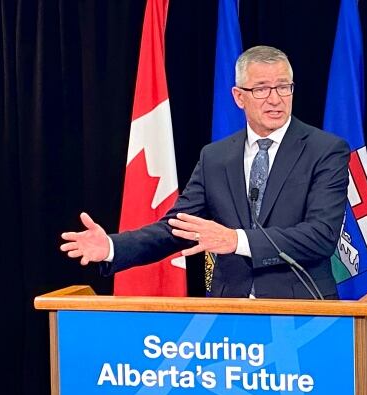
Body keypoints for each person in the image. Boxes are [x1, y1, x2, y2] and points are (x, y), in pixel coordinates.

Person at [60, 46, 350, 299]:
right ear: (239, 97)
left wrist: (236, 240)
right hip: (229, 316)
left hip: (302, 312)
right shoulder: (216, 157)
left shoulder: (325, 150)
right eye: (261, 89)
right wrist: (112, 246)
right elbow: (178, 227)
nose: (275, 99)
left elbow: (321, 236)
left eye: (283, 87)